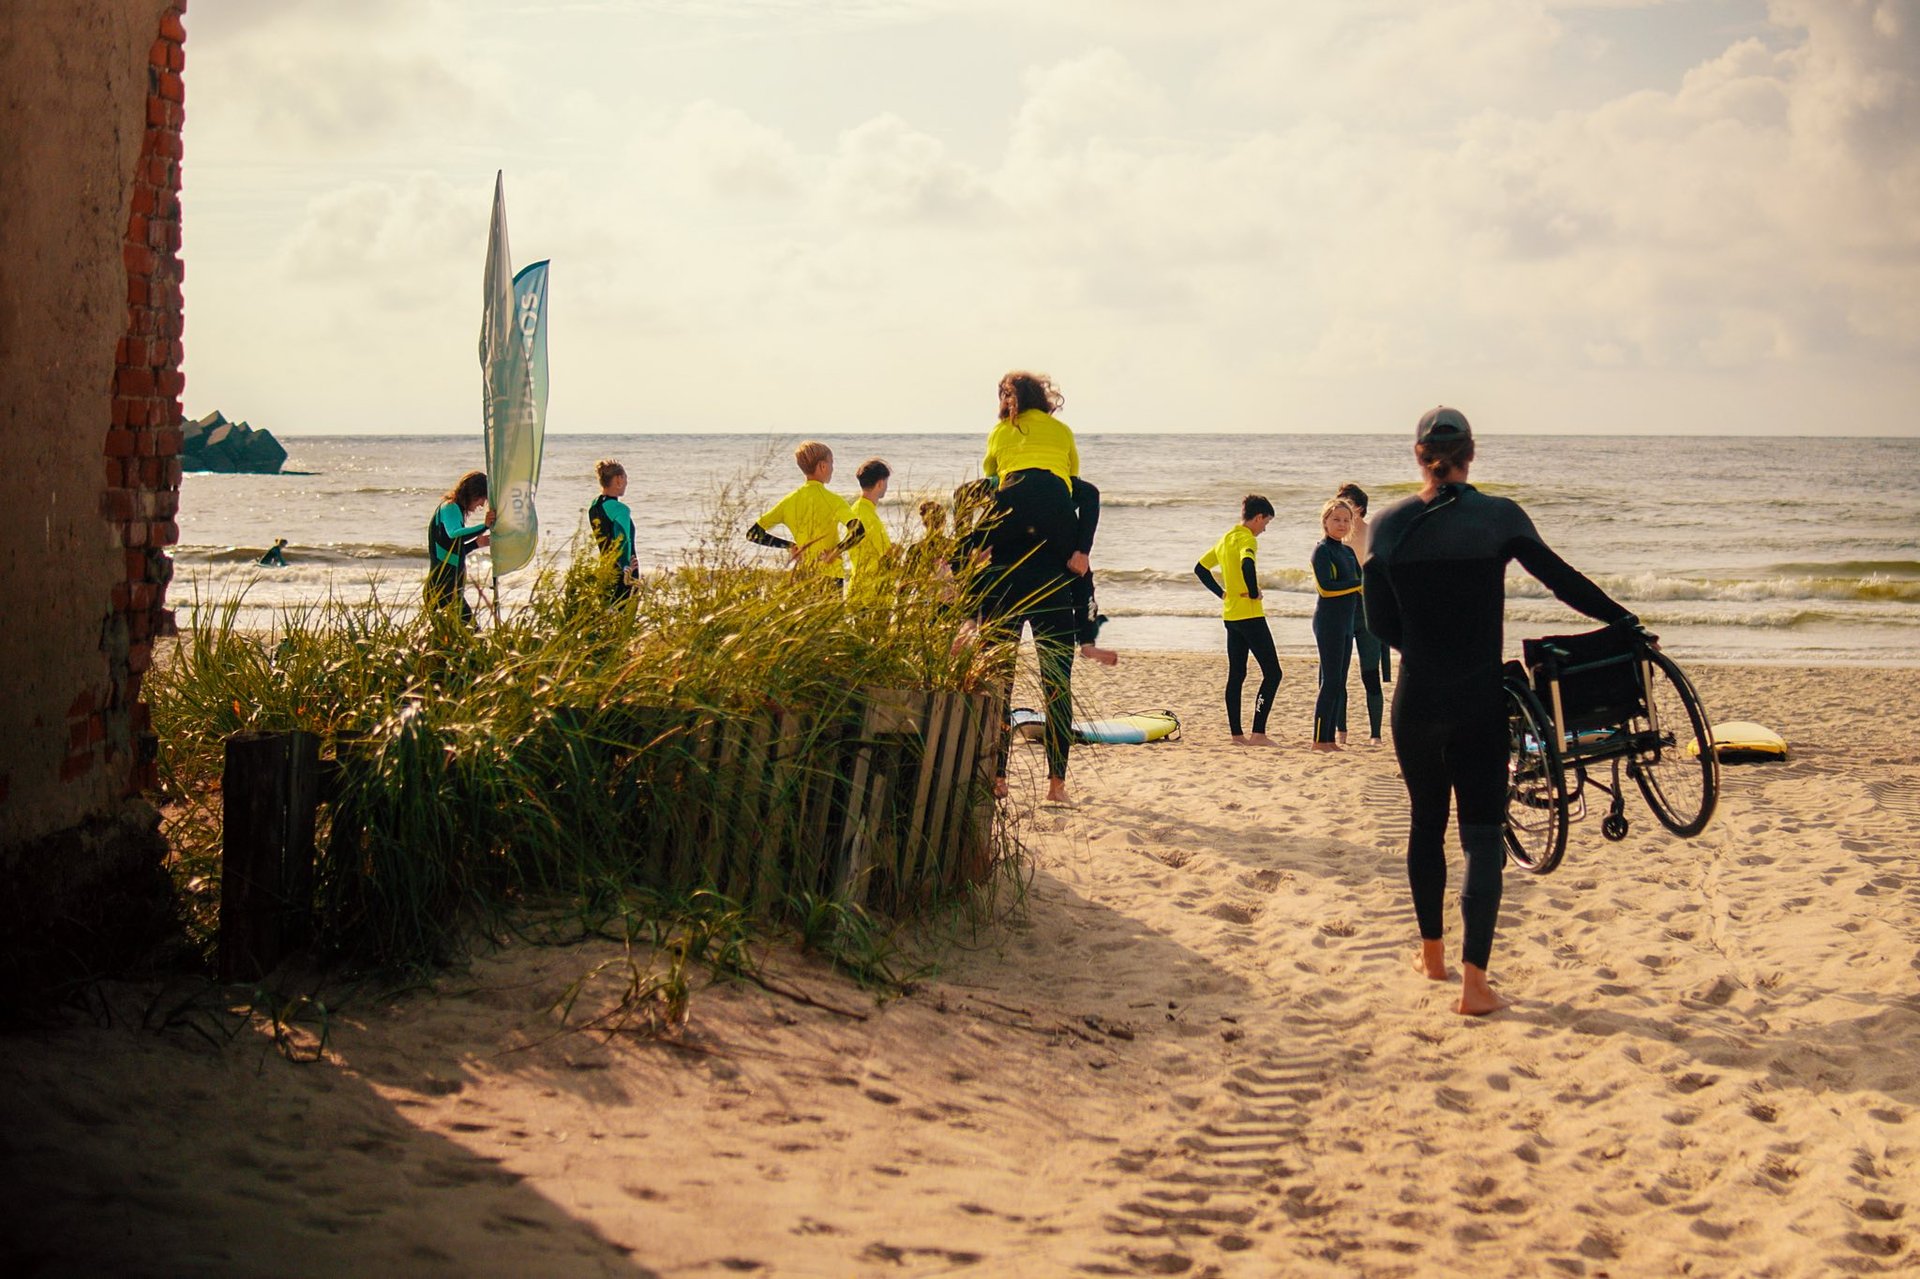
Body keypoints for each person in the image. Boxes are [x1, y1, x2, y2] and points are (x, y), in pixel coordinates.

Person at [1364, 406, 1634, 1016]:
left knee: (1425, 822)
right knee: (1482, 836)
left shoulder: (1384, 527)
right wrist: (1624, 621)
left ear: (1417, 455)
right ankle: (1474, 984)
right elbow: (1563, 582)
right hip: (1478, 699)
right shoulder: (1499, 518)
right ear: (1473, 453)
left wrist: (1427, 654)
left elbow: (1378, 623)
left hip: (1417, 700)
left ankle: (1430, 955)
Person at [976, 371, 1091, 804]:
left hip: (1005, 572)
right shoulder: (1061, 431)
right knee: (1057, 681)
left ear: (1008, 400)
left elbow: (990, 483)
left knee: (998, 682)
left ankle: (999, 778)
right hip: (1053, 573)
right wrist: (1079, 547)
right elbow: (1074, 484)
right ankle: (1056, 785)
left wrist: (982, 542)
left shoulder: (1000, 432)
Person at [1194, 495, 1281, 745]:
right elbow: (1247, 563)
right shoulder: (1247, 539)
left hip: (1231, 616)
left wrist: (1221, 593)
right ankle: (1258, 733)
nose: (1265, 529)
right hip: (1251, 616)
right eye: (1266, 523)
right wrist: (1254, 592)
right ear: (1257, 517)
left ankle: (1236, 735)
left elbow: (1200, 568)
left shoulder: (1225, 539)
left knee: (1237, 674)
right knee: (1273, 674)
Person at [746, 441, 865, 584]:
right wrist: (836, 551)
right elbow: (859, 531)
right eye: (831, 463)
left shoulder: (789, 501)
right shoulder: (834, 500)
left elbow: (753, 534)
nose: (832, 468)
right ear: (823, 466)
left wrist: (790, 546)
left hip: (803, 575)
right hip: (831, 576)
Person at [1336, 482, 1390, 743]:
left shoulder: (1373, 535)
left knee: (1370, 673)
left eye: (1346, 503)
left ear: (1359, 507)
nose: (1341, 510)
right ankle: (1341, 731)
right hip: (1342, 610)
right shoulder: (1335, 538)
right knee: (1339, 673)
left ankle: (1376, 735)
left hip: (1368, 611)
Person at [1311, 498, 1362, 750]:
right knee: (1330, 681)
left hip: (1347, 622)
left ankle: (1329, 739)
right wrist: (1358, 585)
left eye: (1345, 520)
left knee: (1339, 681)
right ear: (1325, 522)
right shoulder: (1322, 550)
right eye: (1336, 519)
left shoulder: (1348, 552)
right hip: (1328, 621)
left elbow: (1362, 586)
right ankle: (1319, 740)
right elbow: (1326, 588)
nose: (1341, 524)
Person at [426, 470, 494, 625]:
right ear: (473, 494)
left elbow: (451, 550)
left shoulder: (453, 510)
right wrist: (484, 526)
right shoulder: (450, 507)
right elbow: (455, 535)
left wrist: (476, 543)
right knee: (473, 635)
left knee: (456, 642)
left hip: (449, 590)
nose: (482, 504)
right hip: (442, 590)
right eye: (482, 499)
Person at [587, 458, 637, 602]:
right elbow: (623, 540)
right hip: (624, 574)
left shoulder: (594, 506)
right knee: (624, 620)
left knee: (607, 619)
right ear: (619, 479)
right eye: (626, 478)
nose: (627, 482)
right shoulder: (620, 510)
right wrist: (626, 567)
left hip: (605, 571)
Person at [846, 457, 893, 601]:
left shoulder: (858, 508)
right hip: (871, 593)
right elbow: (887, 553)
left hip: (861, 589)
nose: (886, 486)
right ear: (880, 483)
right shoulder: (867, 515)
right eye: (886, 482)